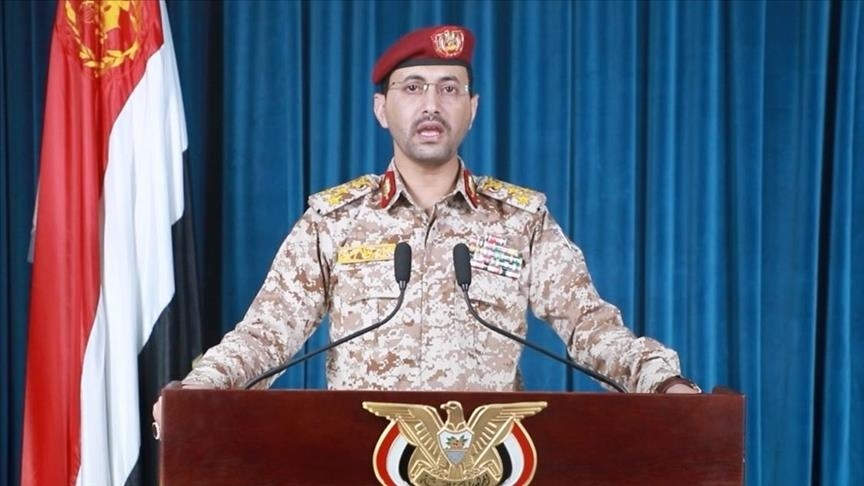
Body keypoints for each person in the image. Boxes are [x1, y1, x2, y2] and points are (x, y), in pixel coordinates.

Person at [153, 24, 698, 433]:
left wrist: (662, 382)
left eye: (449, 89)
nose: (432, 105)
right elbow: (266, 334)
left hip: (485, 462)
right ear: (381, 109)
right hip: (361, 459)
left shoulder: (520, 220)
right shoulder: (334, 221)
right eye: (412, 87)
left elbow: (590, 327)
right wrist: (201, 388)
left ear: (472, 108)